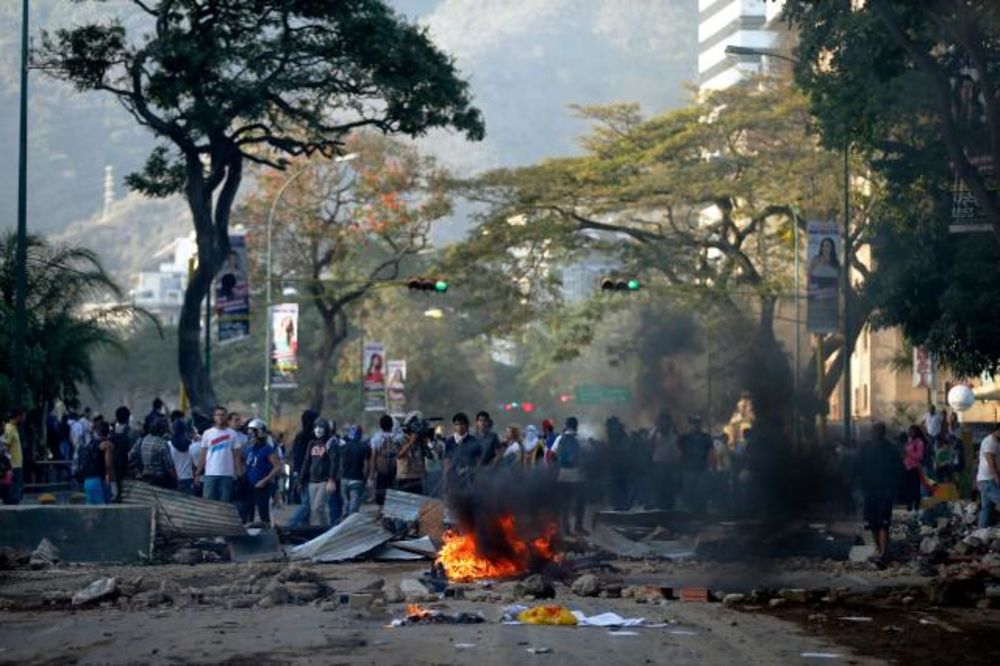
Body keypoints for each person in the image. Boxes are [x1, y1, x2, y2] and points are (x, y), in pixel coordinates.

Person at [857, 422, 901, 563]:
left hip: (884, 492)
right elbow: (858, 468)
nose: (875, 433)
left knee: (883, 524)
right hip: (871, 492)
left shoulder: (890, 449)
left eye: (877, 431)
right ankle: (879, 550)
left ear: (882, 432)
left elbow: (898, 470)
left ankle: (883, 552)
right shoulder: (866, 448)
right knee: (873, 524)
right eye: (874, 431)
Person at [195, 406, 243, 502]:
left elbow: (237, 457)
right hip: (210, 475)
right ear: (214, 417)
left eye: (222, 415)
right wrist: (197, 473)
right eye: (218, 415)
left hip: (227, 475)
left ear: (226, 417)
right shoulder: (207, 433)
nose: (220, 417)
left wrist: (239, 474)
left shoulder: (233, 434)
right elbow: (203, 455)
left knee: (224, 505)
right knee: (208, 504)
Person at [242, 419, 281, 524]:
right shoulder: (249, 448)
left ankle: (267, 534)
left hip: (262, 485)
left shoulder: (267, 449)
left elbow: (277, 467)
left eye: (252, 431)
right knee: (248, 512)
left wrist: (264, 481)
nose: (250, 434)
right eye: (249, 431)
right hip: (249, 484)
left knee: (263, 513)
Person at [551, 417, 586, 534]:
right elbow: (585, 456)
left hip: (562, 474)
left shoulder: (560, 438)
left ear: (566, 425)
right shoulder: (580, 439)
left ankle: (566, 528)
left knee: (565, 502)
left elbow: (552, 454)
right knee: (580, 500)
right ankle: (578, 525)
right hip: (577, 474)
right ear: (576, 426)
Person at [300, 418, 336, 526]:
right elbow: (306, 461)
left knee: (318, 507)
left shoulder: (330, 443)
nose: (318, 430)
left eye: (321, 427)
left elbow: (334, 462)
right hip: (312, 480)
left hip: (324, 480)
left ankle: (326, 529)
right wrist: (300, 478)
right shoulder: (312, 443)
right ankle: (318, 530)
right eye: (316, 427)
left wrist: (331, 479)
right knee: (313, 510)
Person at [677, 414, 713, 515]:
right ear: (690, 424)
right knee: (689, 492)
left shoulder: (706, 437)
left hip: (702, 469)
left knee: (701, 492)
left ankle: (701, 512)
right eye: (694, 423)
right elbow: (679, 453)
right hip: (688, 469)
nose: (696, 426)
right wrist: (679, 467)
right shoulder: (684, 437)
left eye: (697, 423)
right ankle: (691, 513)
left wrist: (711, 467)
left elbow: (711, 452)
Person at [128, 417, 177, 489]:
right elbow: (170, 468)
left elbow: (130, 456)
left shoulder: (141, 440)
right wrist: (176, 481)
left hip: (144, 479)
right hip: (160, 481)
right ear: (162, 430)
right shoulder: (162, 444)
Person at [444, 412, 482, 493]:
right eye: (457, 424)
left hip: (470, 476)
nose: (460, 427)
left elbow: (478, 460)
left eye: (462, 424)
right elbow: (447, 461)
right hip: (454, 476)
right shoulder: (450, 441)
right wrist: (446, 478)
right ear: (454, 426)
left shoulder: (473, 441)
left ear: (467, 425)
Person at [396, 414, 431, 495]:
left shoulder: (420, 441)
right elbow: (398, 455)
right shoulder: (400, 439)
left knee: (417, 504)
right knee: (404, 505)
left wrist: (425, 441)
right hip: (404, 477)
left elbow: (429, 455)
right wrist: (411, 442)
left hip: (418, 477)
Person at [80, 421, 114, 504]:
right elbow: (108, 464)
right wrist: (109, 479)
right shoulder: (107, 445)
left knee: (91, 512)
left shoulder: (89, 443)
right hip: (97, 480)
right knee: (101, 512)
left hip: (87, 480)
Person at [369, 415, 400, 507]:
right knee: (394, 496)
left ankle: (382, 515)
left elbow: (373, 458)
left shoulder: (376, 438)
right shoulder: (398, 438)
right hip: (396, 473)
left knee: (381, 497)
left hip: (381, 472)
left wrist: (371, 475)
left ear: (380, 425)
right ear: (392, 425)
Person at [289, 409, 318, 507]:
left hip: (301, 471)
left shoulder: (300, 436)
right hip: (308, 472)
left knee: (305, 500)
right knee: (307, 503)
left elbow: (295, 454)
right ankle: (292, 523)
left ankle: (305, 522)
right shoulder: (311, 437)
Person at [340, 428, 370, 516]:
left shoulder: (343, 447)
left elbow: (340, 464)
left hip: (344, 479)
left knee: (345, 504)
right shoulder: (365, 447)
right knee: (353, 508)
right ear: (360, 435)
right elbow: (366, 466)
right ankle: (350, 526)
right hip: (357, 479)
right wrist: (366, 478)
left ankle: (343, 525)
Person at [108, 407, 136, 502]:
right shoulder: (131, 432)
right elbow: (134, 451)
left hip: (114, 466)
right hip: (128, 469)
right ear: (128, 418)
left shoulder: (111, 433)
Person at [976, 423, 1000, 528]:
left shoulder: (996, 442)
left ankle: (981, 532)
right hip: (988, 480)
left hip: (986, 480)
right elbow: (991, 463)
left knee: (987, 508)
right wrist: (997, 478)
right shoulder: (990, 442)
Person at [168, 410, 195, 494]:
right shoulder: (191, 444)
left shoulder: (168, 445)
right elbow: (194, 463)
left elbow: (169, 465)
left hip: (175, 480)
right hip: (189, 478)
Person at [2, 409, 25, 505]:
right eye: (22, 416)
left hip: (17, 462)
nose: (23, 418)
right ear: (18, 417)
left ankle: (13, 499)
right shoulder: (10, 428)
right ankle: (12, 500)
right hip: (13, 463)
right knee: (15, 484)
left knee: (17, 484)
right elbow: (5, 445)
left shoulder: (14, 428)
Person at [902, 425, 925, 512]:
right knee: (908, 488)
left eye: (912, 431)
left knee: (915, 488)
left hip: (915, 468)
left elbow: (919, 457)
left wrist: (908, 453)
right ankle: (909, 505)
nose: (910, 433)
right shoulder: (909, 442)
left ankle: (916, 506)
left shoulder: (919, 443)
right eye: (910, 431)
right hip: (907, 467)